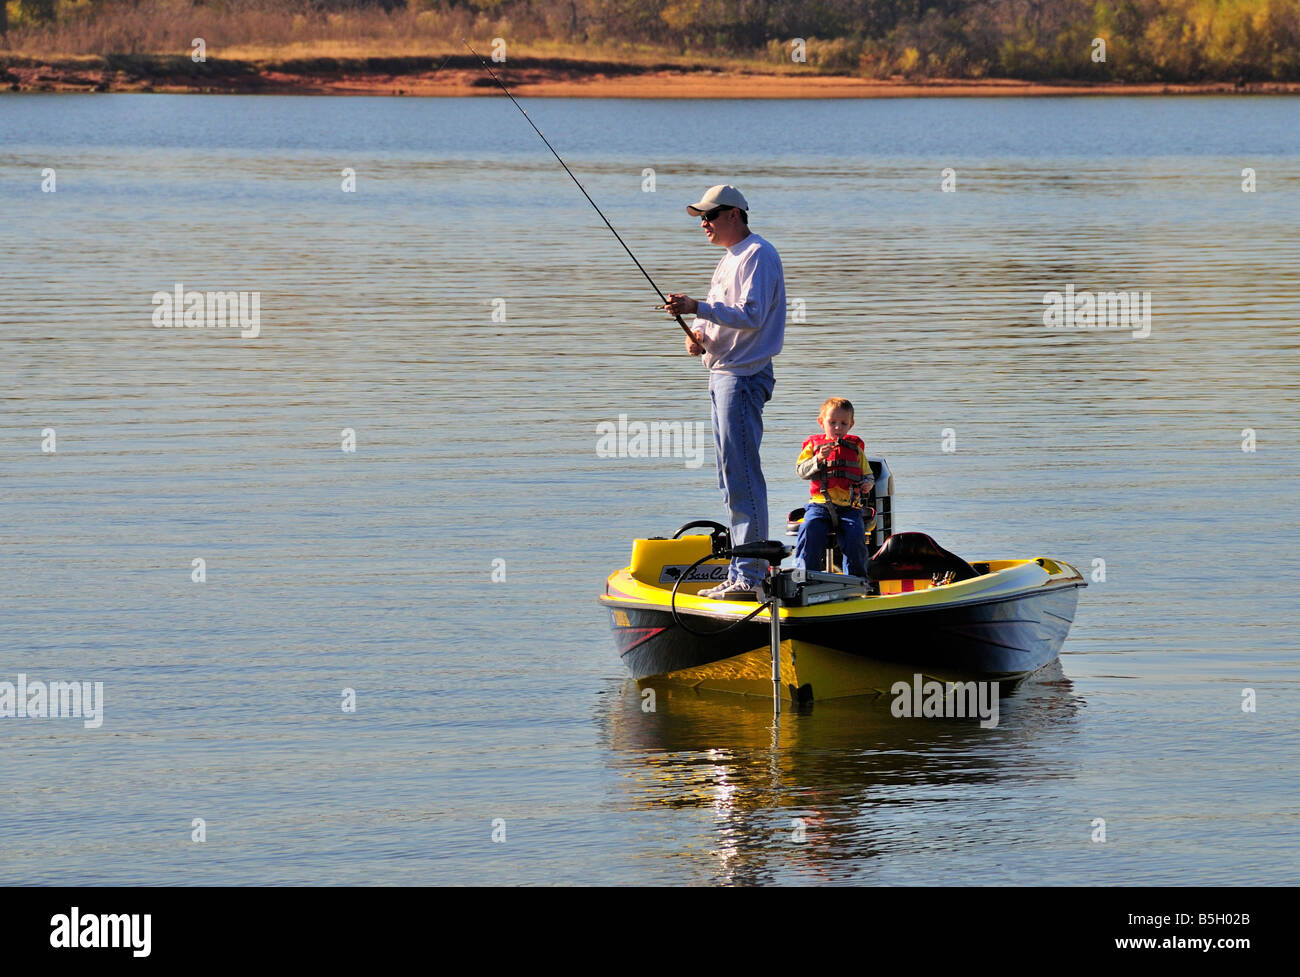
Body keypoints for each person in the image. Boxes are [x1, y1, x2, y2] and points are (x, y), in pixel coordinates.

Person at [663, 185, 786, 600]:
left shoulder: (759, 255)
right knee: (729, 476)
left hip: (744, 376)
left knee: (743, 474)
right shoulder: (727, 260)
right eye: (701, 217)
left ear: (735, 214)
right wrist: (698, 336)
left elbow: (751, 315)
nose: (703, 224)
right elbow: (720, 316)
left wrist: (697, 307)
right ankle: (741, 569)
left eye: (710, 216)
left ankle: (750, 577)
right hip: (722, 373)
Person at [793, 397, 874, 579]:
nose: (838, 428)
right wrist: (818, 459)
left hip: (849, 507)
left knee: (856, 536)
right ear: (822, 422)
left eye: (843, 423)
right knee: (809, 528)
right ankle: (803, 578)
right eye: (832, 423)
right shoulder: (813, 447)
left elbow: (868, 474)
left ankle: (857, 580)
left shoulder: (856, 449)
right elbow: (801, 471)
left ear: (850, 425)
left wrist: (867, 484)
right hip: (819, 505)